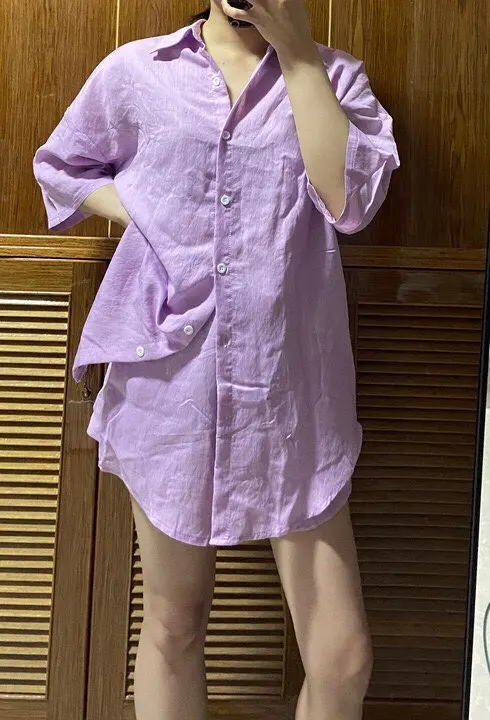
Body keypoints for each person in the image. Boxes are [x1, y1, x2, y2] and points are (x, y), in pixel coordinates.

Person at [33, 1, 400, 718]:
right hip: (170, 386)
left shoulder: (337, 78)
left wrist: (297, 53)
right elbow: (62, 165)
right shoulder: (137, 72)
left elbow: (351, 202)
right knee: (175, 622)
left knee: (343, 656)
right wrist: (143, 212)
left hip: (292, 398)